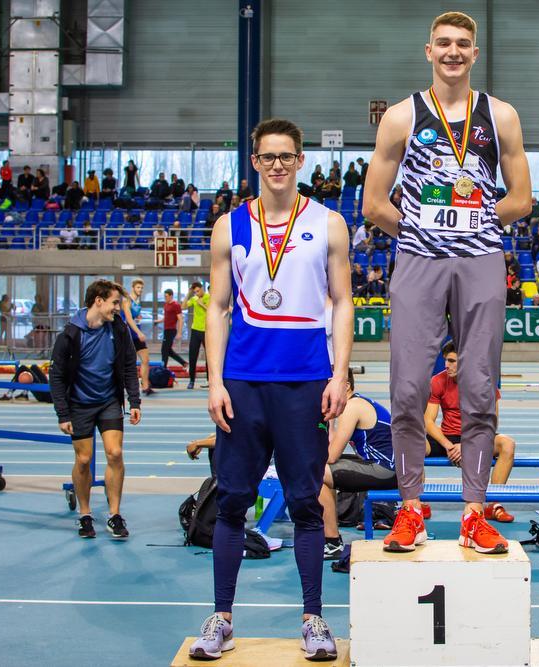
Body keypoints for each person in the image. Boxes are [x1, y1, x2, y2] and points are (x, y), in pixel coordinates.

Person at [362, 11, 531, 554]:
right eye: (444, 44)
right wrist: (420, 228)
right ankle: (410, 508)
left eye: (463, 44)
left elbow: (521, 199)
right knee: (408, 390)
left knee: (480, 389)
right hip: (418, 259)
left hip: (481, 258)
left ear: (475, 54)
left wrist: (479, 221)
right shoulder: (400, 117)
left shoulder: (500, 114)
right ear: (428, 51)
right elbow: (373, 204)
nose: (453, 52)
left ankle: (474, 512)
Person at [188, 117, 352, 661]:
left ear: (301, 161)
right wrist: (213, 380)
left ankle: (313, 620)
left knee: (307, 503)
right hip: (243, 383)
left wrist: (337, 376)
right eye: (267, 157)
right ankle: (221, 618)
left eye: (286, 156)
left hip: (305, 382)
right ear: (254, 162)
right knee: (233, 501)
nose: (277, 165)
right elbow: (216, 308)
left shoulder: (328, 223)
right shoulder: (227, 227)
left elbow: (343, 302)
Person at [49, 279, 141, 539]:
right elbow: (56, 375)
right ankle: (85, 514)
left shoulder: (119, 329)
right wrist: (62, 413)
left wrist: (134, 401)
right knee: (84, 460)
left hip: (109, 401)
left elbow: (127, 366)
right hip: (79, 405)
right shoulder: (71, 333)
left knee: (115, 453)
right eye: (114, 303)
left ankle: (114, 514)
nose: (117, 309)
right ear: (98, 301)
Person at [425, 340, 517, 521]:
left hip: (477, 435)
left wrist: (466, 446)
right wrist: (449, 445)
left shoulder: (485, 382)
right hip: (448, 438)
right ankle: (418, 504)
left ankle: (493, 504)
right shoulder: (437, 381)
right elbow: (427, 421)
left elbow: (491, 422)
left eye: (452, 361)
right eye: (446, 360)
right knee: (414, 443)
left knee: (507, 444)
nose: (446, 365)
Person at [319, 369, 397, 560]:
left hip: (387, 470)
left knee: (316, 474)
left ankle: (332, 542)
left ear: (345, 386)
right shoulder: (357, 403)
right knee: (319, 469)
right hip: (383, 466)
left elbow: (331, 455)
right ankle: (330, 535)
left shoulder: (353, 406)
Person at [122, 279, 154, 396]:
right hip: (128, 334)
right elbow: (129, 319)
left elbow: (134, 316)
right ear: (133, 288)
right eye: (138, 288)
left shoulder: (137, 301)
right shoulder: (127, 300)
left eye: (141, 288)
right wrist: (139, 332)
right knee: (127, 362)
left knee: (145, 359)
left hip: (136, 333)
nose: (140, 290)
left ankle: (145, 386)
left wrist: (139, 317)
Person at [184, 281, 209, 390]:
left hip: (206, 330)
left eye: (198, 291)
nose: (197, 293)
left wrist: (201, 304)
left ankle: (210, 380)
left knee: (209, 357)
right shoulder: (194, 298)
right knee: (192, 356)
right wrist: (189, 294)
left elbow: (212, 310)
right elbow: (183, 306)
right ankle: (191, 380)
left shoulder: (209, 297)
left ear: (202, 288)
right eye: (195, 292)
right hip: (195, 330)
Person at [154, 288, 187, 368]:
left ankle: (163, 368)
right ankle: (184, 363)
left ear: (171, 296)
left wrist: (179, 333)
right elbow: (166, 317)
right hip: (166, 330)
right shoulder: (166, 305)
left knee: (164, 350)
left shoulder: (176, 305)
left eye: (167, 296)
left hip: (171, 330)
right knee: (168, 350)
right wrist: (158, 321)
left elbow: (180, 319)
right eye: (164, 296)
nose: (165, 298)